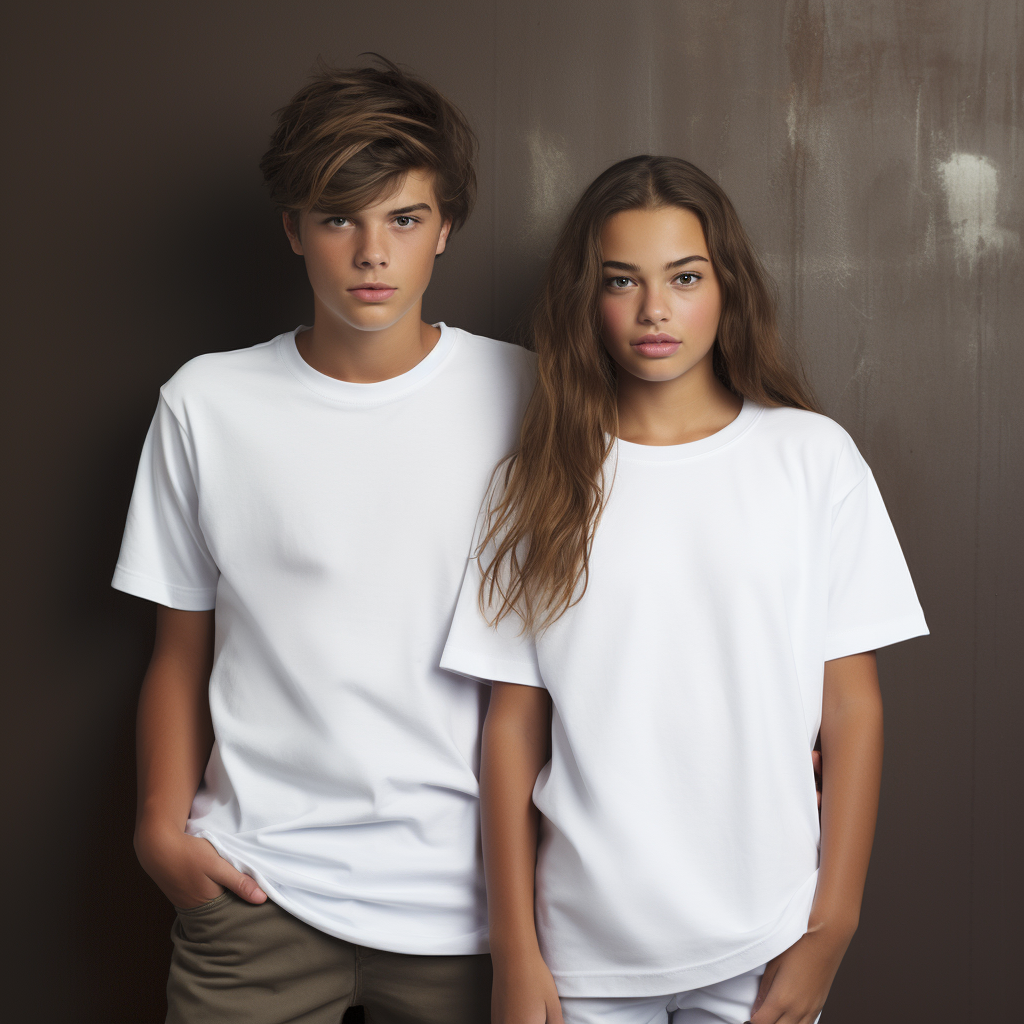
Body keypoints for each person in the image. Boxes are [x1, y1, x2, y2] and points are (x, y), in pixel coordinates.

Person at [440, 155, 928, 1024]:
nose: (654, 310)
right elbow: (510, 728)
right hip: (583, 952)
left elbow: (852, 709)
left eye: (684, 277)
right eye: (620, 281)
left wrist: (833, 926)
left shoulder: (812, 460)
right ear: (586, 299)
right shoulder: (538, 479)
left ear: (726, 286)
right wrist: (516, 954)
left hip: (766, 939)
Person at [113, 57, 534, 1024]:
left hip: (470, 911)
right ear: (294, 230)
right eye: (339, 218)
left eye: (404, 219)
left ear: (446, 228)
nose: (371, 253)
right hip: (255, 893)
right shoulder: (206, 404)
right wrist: (156, 831)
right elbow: (181, 649)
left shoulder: (531, 398)